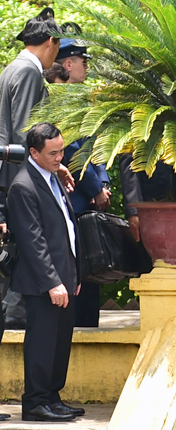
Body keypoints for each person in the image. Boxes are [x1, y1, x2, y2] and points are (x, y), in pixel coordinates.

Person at [7, 123, 84, 422]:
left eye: (62, 150)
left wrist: (73, 274)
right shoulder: (23, 186)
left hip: (64, 275)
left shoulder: (53, 176)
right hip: (43, 281)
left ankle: (52, 396)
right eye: (53, 153)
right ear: (34, 153)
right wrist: (53, 282)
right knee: (42, 341)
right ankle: (36, 401)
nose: (59, 157)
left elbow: (66, 228)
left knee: (60, 340)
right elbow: (32, 241)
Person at [0, 8, 66, 331]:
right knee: (29, 242)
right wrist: (47, 171)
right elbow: (28, 134)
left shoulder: (11, 68)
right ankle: (15, 308)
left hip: (11, 174)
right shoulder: (28, 72)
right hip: (19, 177)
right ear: (51, 42)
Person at [46, 38, 111, 328]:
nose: (87, 67)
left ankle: (88, 324)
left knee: (92, 266)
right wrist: (95, 189)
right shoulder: (57, 101)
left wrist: (104, 183)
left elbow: (96, 145)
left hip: (89, 195)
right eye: (83, 62)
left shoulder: (82, 99)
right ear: (68, 64)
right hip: (74, 196)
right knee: (76, 264)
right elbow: (70, 151)